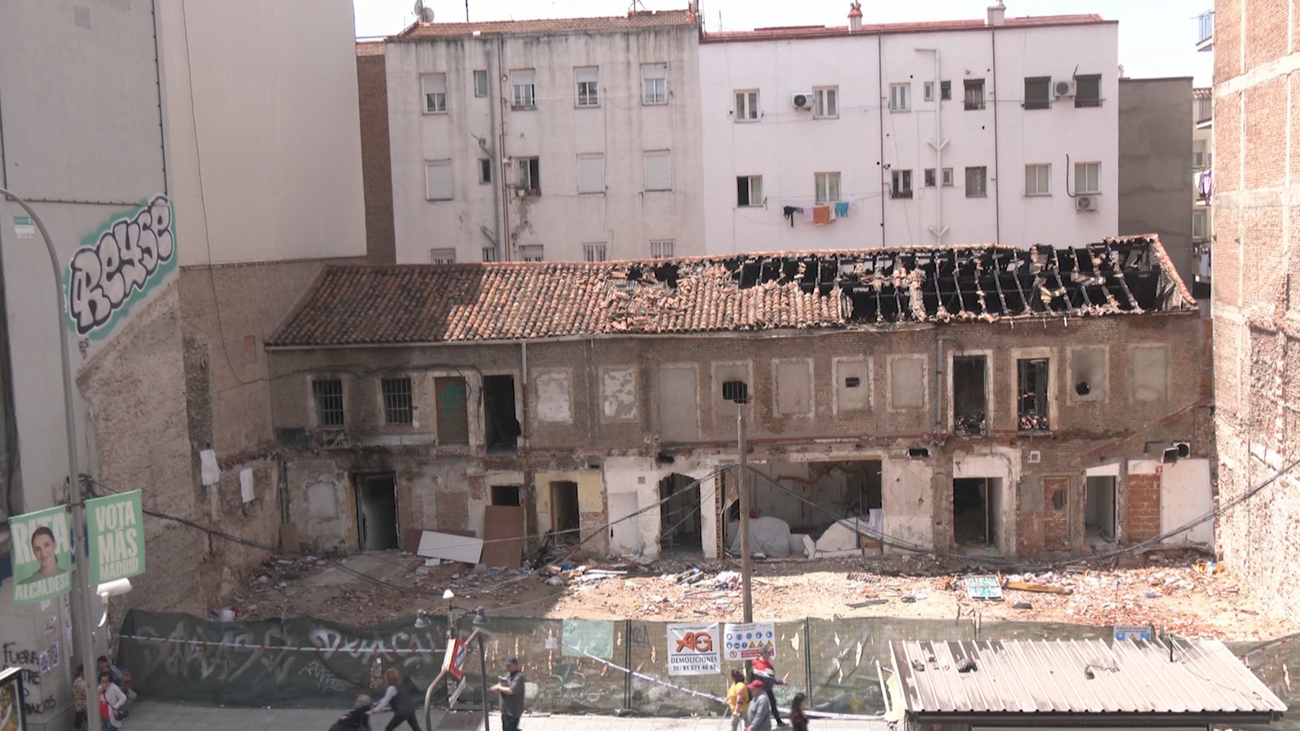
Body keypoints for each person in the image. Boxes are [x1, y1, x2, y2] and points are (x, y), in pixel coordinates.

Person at [489, 656, 526, 731]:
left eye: (510, 666)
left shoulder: (519, 676)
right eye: (507, 666)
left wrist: (499, 688)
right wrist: (500, 685)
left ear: (515, 665)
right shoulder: (508, 675)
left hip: (513, 711)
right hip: (506, 710)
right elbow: (504, 684)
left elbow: (511, 691)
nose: (508, 668)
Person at [752, 648, 786, 727]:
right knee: (761, 707)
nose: (769, 656)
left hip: (767, 689)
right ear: (763, 654)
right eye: (768, 654)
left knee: (772, 704)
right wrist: (781, 682)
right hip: (761, 690)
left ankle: (779, 722)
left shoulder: (766, 664)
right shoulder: (759, 666)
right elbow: (769, 678)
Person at [72, 665, 87, 730]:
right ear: (81, 672)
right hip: (82, 707)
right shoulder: (79, 682)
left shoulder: (83, 680)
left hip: (82, 707)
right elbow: (86, 693)